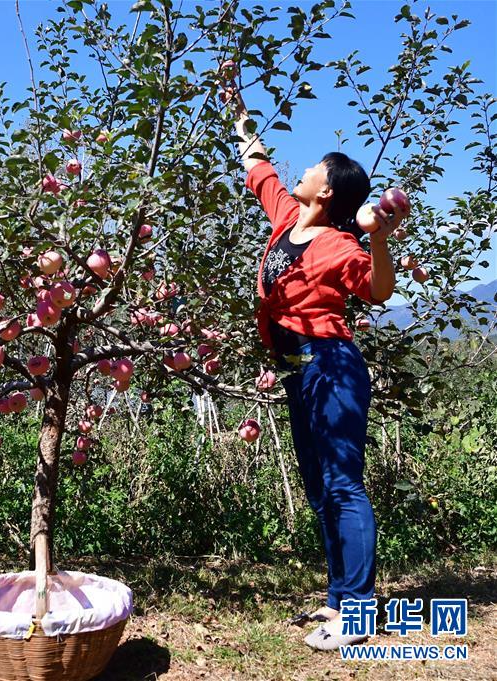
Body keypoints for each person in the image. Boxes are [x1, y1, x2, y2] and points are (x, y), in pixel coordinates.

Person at [221, 77, 409, 650]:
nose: (302, 170)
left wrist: (382, 237)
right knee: (319, 487)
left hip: (331, 364)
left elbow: (377, 291)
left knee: (341, 484)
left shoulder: (340, 245)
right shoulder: (286, 220)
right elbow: (261, 170)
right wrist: (239, 113)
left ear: (326, 191)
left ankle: (357, 613)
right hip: (297, 368)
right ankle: (338, 602)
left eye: (315, 168)